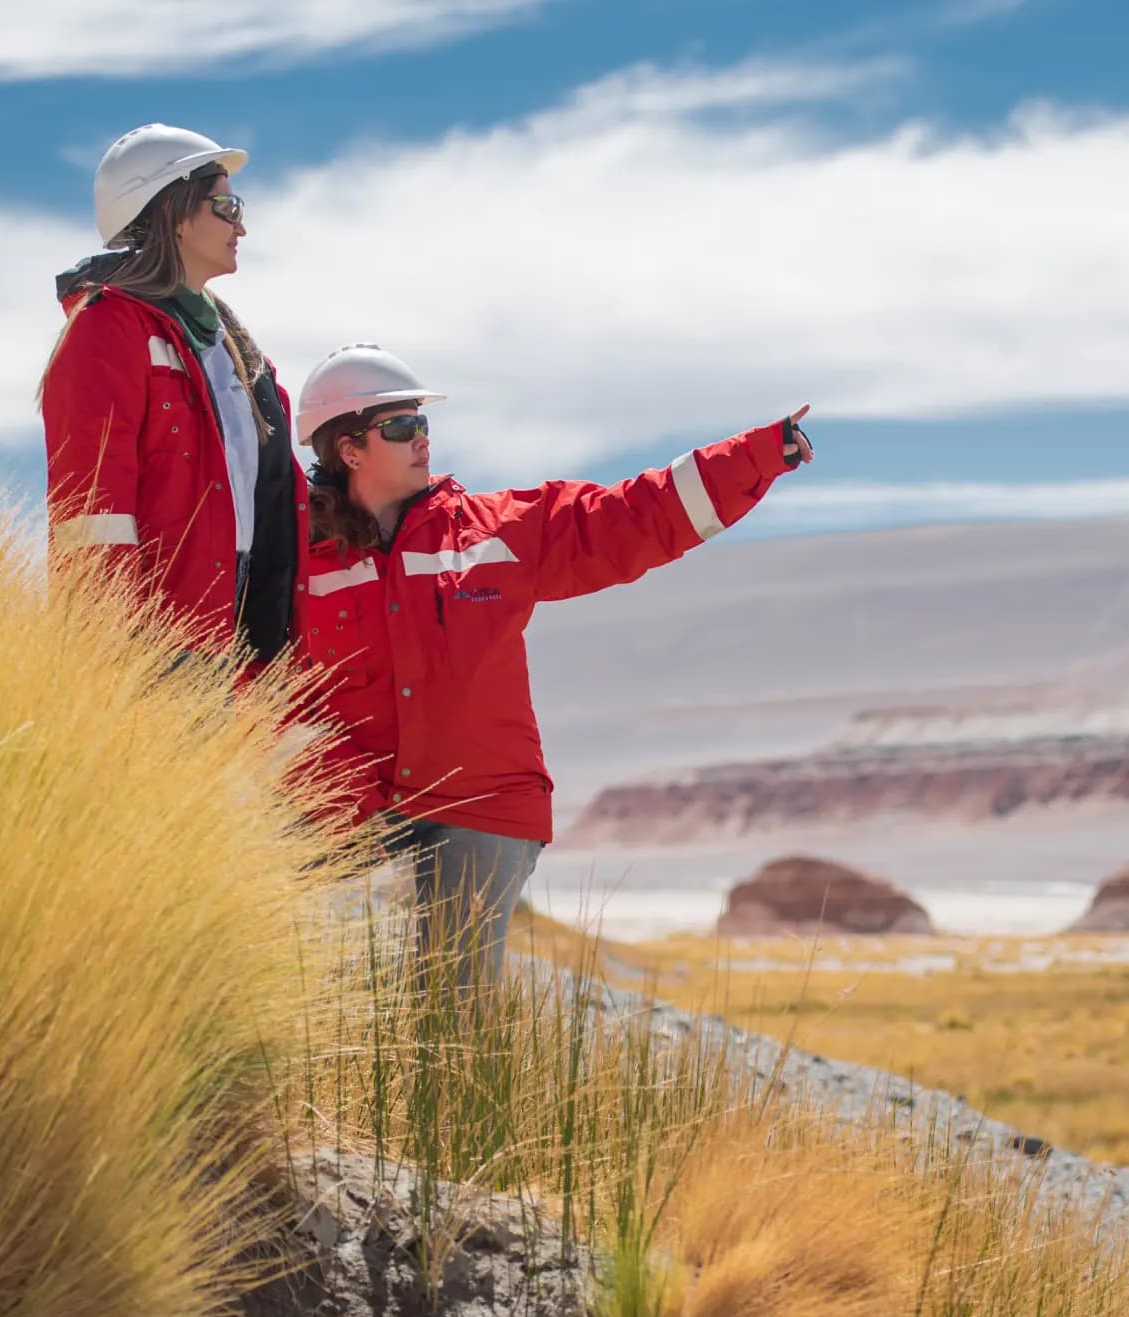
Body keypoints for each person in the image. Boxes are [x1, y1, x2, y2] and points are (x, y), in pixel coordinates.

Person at [292, 344, 813, 979]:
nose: (422, 440)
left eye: (423, 423)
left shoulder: (494, 532)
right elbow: (258, 680)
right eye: (400, 427)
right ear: (347, 449)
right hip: (348, 804)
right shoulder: (295, 561)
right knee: (314, 987)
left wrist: (755, 456)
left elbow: (627, 517)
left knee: (449, 1006)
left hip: (482, 806)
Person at [40, 124, 305, 664]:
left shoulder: (238, 352)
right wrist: (107, 652)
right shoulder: (107, 328)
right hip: (153, 643)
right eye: (226, 209)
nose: (243, 227)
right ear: (174, 213)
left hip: (240, 639)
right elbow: (91, 509)